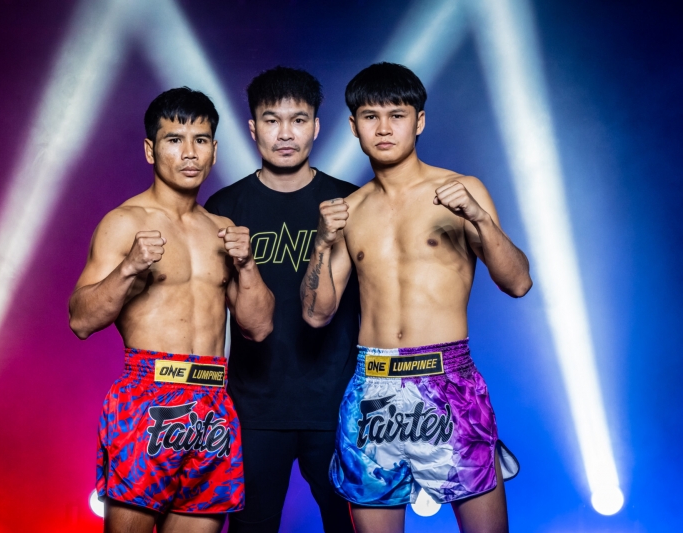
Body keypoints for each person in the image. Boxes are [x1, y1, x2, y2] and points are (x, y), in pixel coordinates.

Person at [300, 62, 532, 533]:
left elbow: (518, 283)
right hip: (374, 388)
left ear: (419, 121)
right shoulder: (351, 209)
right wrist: (321, 243)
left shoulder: (461, 190)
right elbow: (316, 314)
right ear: (354, 126)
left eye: (397, 115)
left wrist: (479, 219)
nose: (384, 128)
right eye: (371, 116)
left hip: (448, 383)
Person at [69, 87, 275, 533]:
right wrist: (129, 267)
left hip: (213, 400)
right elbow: (81, 320)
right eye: (174, 140)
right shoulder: (124, 222)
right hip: (147, 395)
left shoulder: (223, 230)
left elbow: (258, 328)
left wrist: (247, 264)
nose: (189, 153)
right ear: (151, 150)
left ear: (214, 150)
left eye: (200, 140)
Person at [204, 66, 358, 533]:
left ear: (316, 126)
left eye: (298, 119)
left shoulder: (350, 202)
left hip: (337, 404)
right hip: (254, 408)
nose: (285, 134)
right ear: (253, 129)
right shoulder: (223, 209)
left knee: (350, 526)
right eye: (272, 121)